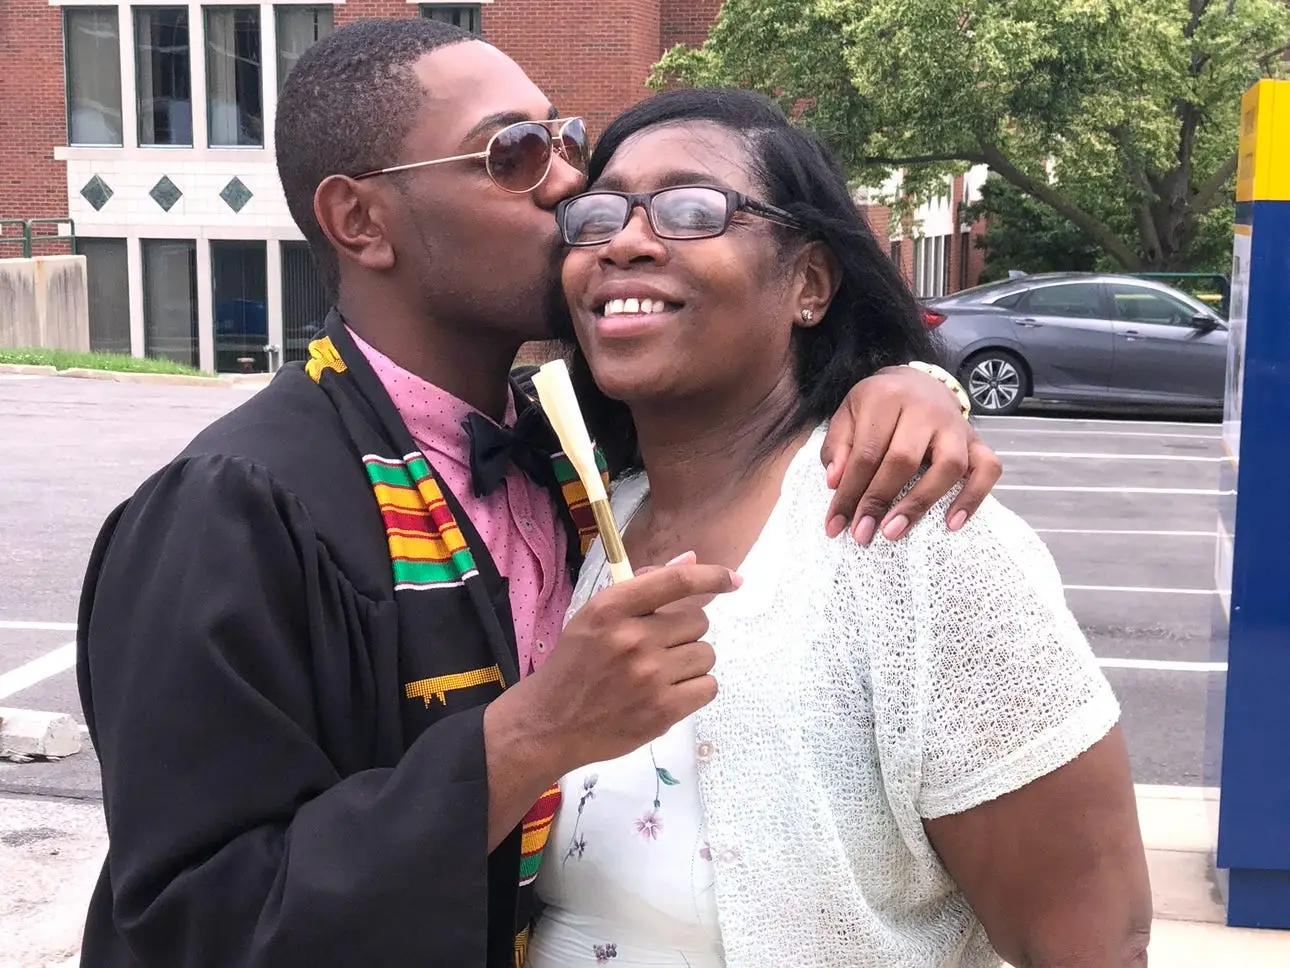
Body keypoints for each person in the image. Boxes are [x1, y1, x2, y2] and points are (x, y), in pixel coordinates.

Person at [75, 19, 1002, 968]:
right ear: (361, 222)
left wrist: (909, 385)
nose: (571, 188)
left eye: (565, 143)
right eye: (513, 154)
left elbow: (753, 387)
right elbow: (187, 927)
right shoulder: (232, 511)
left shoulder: (568, 449)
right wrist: (528, 739)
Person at [526, 89, 1152, 968]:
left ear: (810, 284)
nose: (625, 240)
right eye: (596, 216)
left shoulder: (911, 536)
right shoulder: (585, 524)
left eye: (692, 208)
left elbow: (1092, 940)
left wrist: (925, 382)